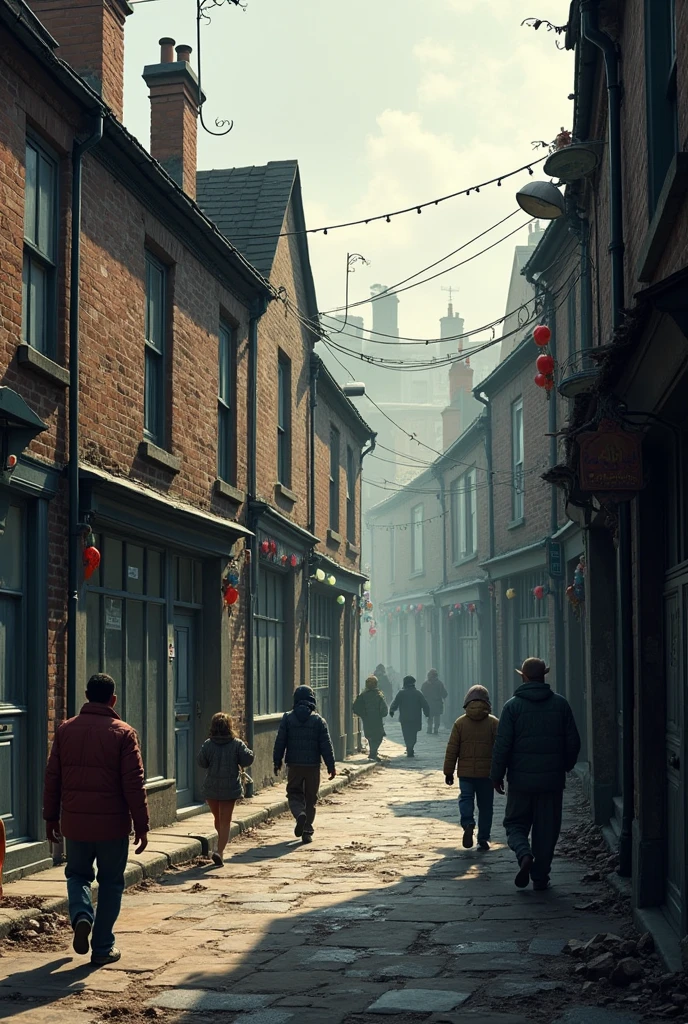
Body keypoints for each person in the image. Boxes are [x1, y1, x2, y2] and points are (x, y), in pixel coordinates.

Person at [42, 673, 149, 966]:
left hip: (75, 823)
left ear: (86, 696)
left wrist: (50, 817)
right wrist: (142, 824)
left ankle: (81, 915)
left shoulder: (65, 730)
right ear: (112, 699)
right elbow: (134, 784)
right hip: (112, 826)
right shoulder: (124, 733)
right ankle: (102, 947)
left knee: (77, 875)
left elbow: (53, 778)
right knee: (111, 883)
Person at [490, 657, 581, 891]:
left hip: (520, 780)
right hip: (551, 781)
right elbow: (573, 742)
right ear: (544, 676)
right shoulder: (560, 704)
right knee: (547, 829)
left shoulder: (512, 707)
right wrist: (565, 766)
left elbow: (502, 745)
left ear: (524, 677)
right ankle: (540, 876)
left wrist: (496, 774)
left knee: (515, 823)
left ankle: (523, 855)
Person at [273, 685, 336, 844]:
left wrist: (277, 761)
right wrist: (331, 766)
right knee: (311, 797)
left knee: (294, 792)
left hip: (294, 764)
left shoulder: (287, 718)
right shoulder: (318, 720)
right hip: (313, 766)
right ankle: (307, 829)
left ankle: (299, 813)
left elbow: (280, 741)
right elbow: (326, 745)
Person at [443, 685, 499, 850]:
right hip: (486, 774)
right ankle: (484, 838)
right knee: (486, 806)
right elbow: (500, 749)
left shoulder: (460, 723)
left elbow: (452, 749)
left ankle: (468, 823)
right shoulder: (494, 723)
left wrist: (448, 772)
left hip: (466, 773)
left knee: (466, 798)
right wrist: (501, 771)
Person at [197, 712, 254, 867]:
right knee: (225, 821)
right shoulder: (236, 744)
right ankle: (219, 851)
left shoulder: (208, 744)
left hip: (212, 788)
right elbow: (248, 759)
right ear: (230, 727)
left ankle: (219, 848)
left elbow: (202, 762)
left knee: (218, 819)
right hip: (230, 788)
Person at [389, 675, 430, 757]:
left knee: (406, 733)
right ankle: (411, 746)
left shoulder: (401, 693)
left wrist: (392, 710)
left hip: (404, 718)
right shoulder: (418, 693)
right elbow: (425, 704)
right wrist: (427, 713)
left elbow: (395, 703)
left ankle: (409, 747)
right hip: (415, 718)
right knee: (413, 733)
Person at [353, 675, 388, 761]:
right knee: (378, 736)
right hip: (377, 719)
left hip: (367, 719)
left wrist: (362, 714)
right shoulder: (379, 695)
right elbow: (384, 709)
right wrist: (382, 714)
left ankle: (373, 753)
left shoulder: (363, 695)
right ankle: (373, 753)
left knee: (370, 736)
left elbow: (355, 707)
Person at [421, 669, 448, 735]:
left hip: (428, 703)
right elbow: (444, 694)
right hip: (437, 703)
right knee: (437, 717)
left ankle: (429, 729)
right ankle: (436, 729)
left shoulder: (425, 684)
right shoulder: (439, 683)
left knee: (430, 717)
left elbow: (422, 693)